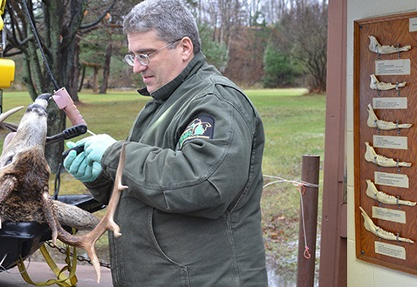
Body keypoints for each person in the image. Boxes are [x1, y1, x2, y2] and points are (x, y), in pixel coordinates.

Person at [63, 0, 267, 285]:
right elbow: (151, 191)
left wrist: (115, 154)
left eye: (145, 55)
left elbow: (202, 184)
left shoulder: (216, 102)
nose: (136, 67)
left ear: (184, 48)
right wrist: (101, 179)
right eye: (132, 55)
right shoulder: (165, 101)